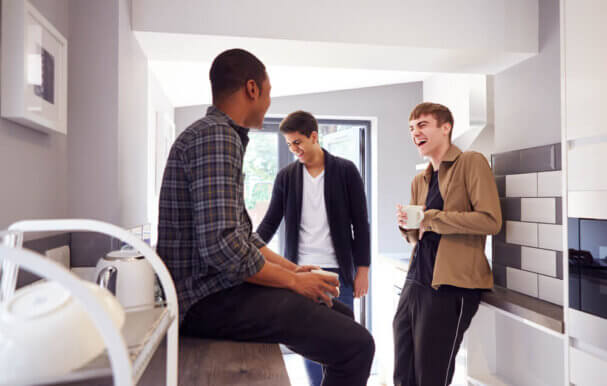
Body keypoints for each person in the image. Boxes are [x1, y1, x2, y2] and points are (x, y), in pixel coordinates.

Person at [157, 48, 374, 386]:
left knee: (341, 315)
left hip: (217, 292)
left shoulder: (216, 135)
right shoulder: (216, 136)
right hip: (205, 300)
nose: (269, 101)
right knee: (359, 345)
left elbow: (243, 236)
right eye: (269, 92)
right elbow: (222, 247)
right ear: (252, 89)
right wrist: (293, 281)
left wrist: (292, 269)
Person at [256, 110, 371, 386]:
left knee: (343, 344)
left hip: (339, 273)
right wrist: (249, 245)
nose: (294, 149)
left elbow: (361, 224)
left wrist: (363, 270)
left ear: (314, 136)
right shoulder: (286, 177)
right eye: (289, 145)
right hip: (301, 272)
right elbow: (271, 220)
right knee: (309, 343)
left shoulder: (346, 171)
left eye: (297, 142)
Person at [393, 102, 502, 386]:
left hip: (452, 285)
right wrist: (408, 225)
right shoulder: (421, 178)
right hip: (417, 279)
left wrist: (431, 218)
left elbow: (491, 221)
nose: (415, 132)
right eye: (412, 128)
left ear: (445, 128)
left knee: (431, 373)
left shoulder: (471, 162)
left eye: (422, 125)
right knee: (403, 371)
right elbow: (418, 234)